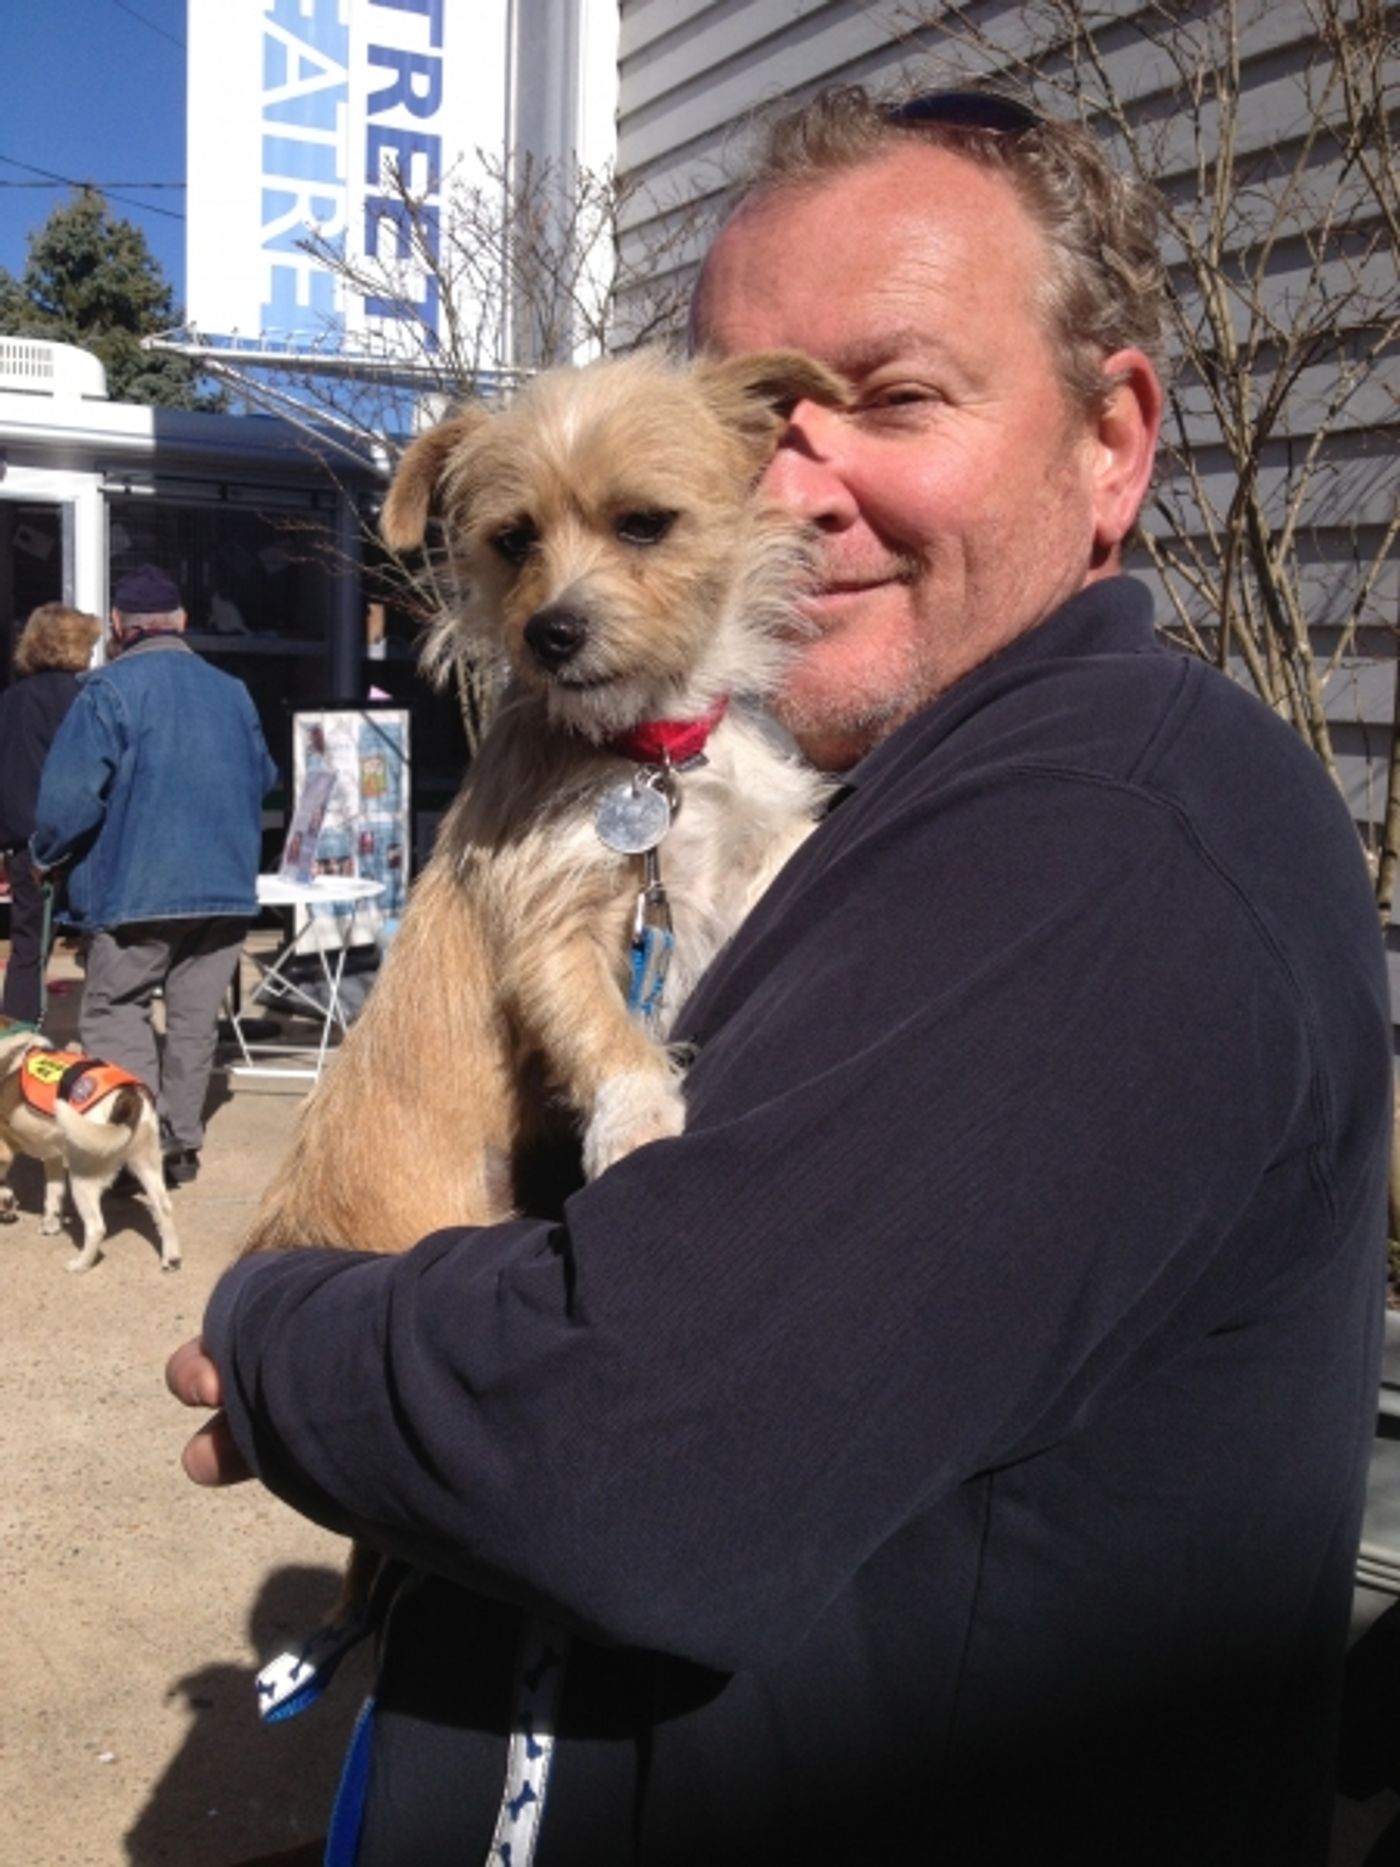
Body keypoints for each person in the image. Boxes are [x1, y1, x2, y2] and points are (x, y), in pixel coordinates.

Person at [166, 86, 1391, 1865]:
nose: (781, 481)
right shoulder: (855, 795)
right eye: (746, 409)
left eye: (890, 398)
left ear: (1112, 441)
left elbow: (630, 1445)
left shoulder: (1118, 828)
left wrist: (280, 1332)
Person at [32, 564, 277, 1186]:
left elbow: (68, 800)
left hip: (136, 887)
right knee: (195, 1022)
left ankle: (143, 1140)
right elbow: (266, 777)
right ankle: (183, 1142)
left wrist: (42, 853)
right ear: (182, 623)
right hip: (224, 888)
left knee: (116, 1010)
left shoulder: (107, 690)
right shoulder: (234, 692)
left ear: (118, 627)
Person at [0, 603, 101, 1023]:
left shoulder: (10, 701)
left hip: (24, 842)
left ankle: (17, 1047)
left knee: (28, 952)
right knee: (107, 946)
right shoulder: (89, 698)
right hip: (82, 840)